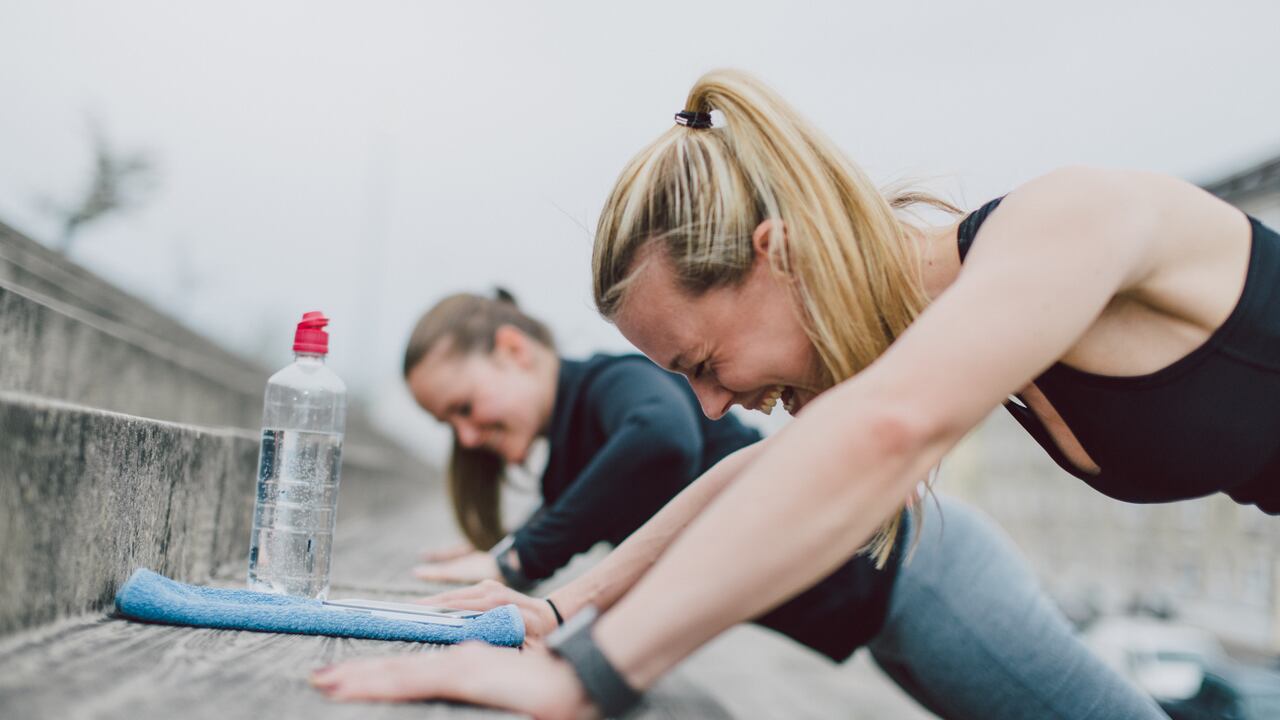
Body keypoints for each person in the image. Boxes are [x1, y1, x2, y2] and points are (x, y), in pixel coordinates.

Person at [312, 67, 1280, 717]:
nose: (706, 407)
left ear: (775, 256)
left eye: (699, 364)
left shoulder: (1068, 221)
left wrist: (585, 681)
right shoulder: (954, 325)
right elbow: (760, 477)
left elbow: (882, 432)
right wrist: (562, 613)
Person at [317, 288, 1165, 718]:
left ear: (513, 350)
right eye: (447, 425)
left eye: (465, 406)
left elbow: (665, 443)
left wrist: (521, 560)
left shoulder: (611, 388)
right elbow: (693, 517)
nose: (465, 436)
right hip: (885, 625)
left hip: (927, 579)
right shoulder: (571, 457)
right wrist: (536, 603)